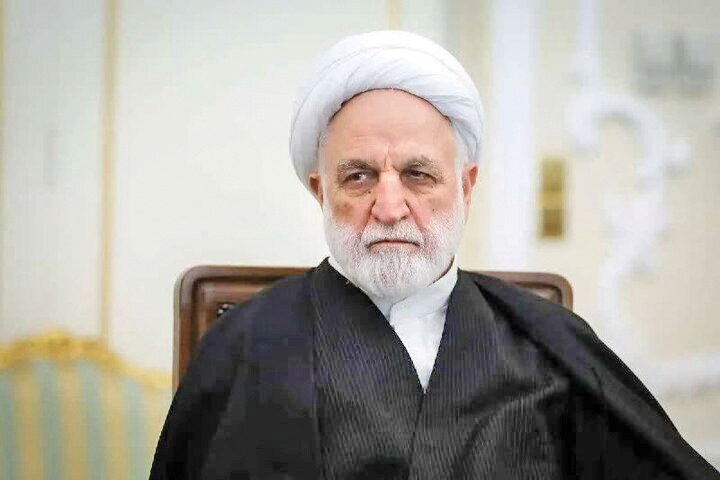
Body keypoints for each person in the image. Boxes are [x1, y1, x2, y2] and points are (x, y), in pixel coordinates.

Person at [150, 31, 718, 479]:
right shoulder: (243, 345)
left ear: (466, 187)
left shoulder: (549, 344)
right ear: (322, 192)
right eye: (358, 176)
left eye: (418, 175)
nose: (389, 206)